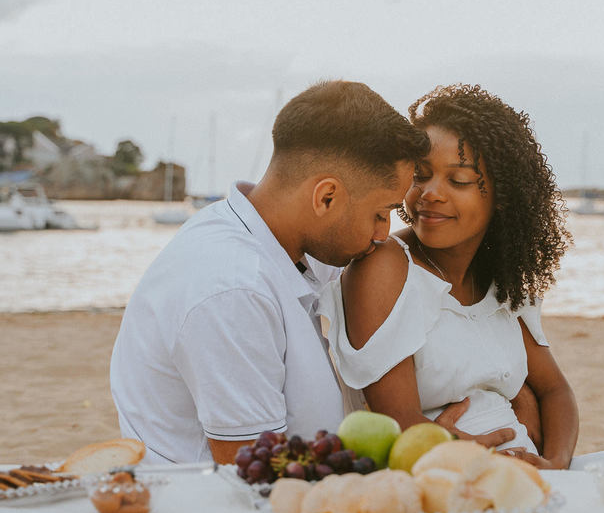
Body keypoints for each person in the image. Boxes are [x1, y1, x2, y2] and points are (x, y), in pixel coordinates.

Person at [319, 84, 604, 471]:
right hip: (446, 477)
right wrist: (466, 450)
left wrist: (558, 463)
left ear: (503, 195)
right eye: (420, 176)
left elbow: (555, 390)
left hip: (533, 470)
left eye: (457, 180)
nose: (430, 193)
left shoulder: (502, 279)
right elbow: (398, 423)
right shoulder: (387, 266)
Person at [110, 80, 431, 465]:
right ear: (326, 197)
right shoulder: (232, 290)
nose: (383, 234)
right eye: (381, 213)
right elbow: (256, 474)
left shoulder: (289, 241)